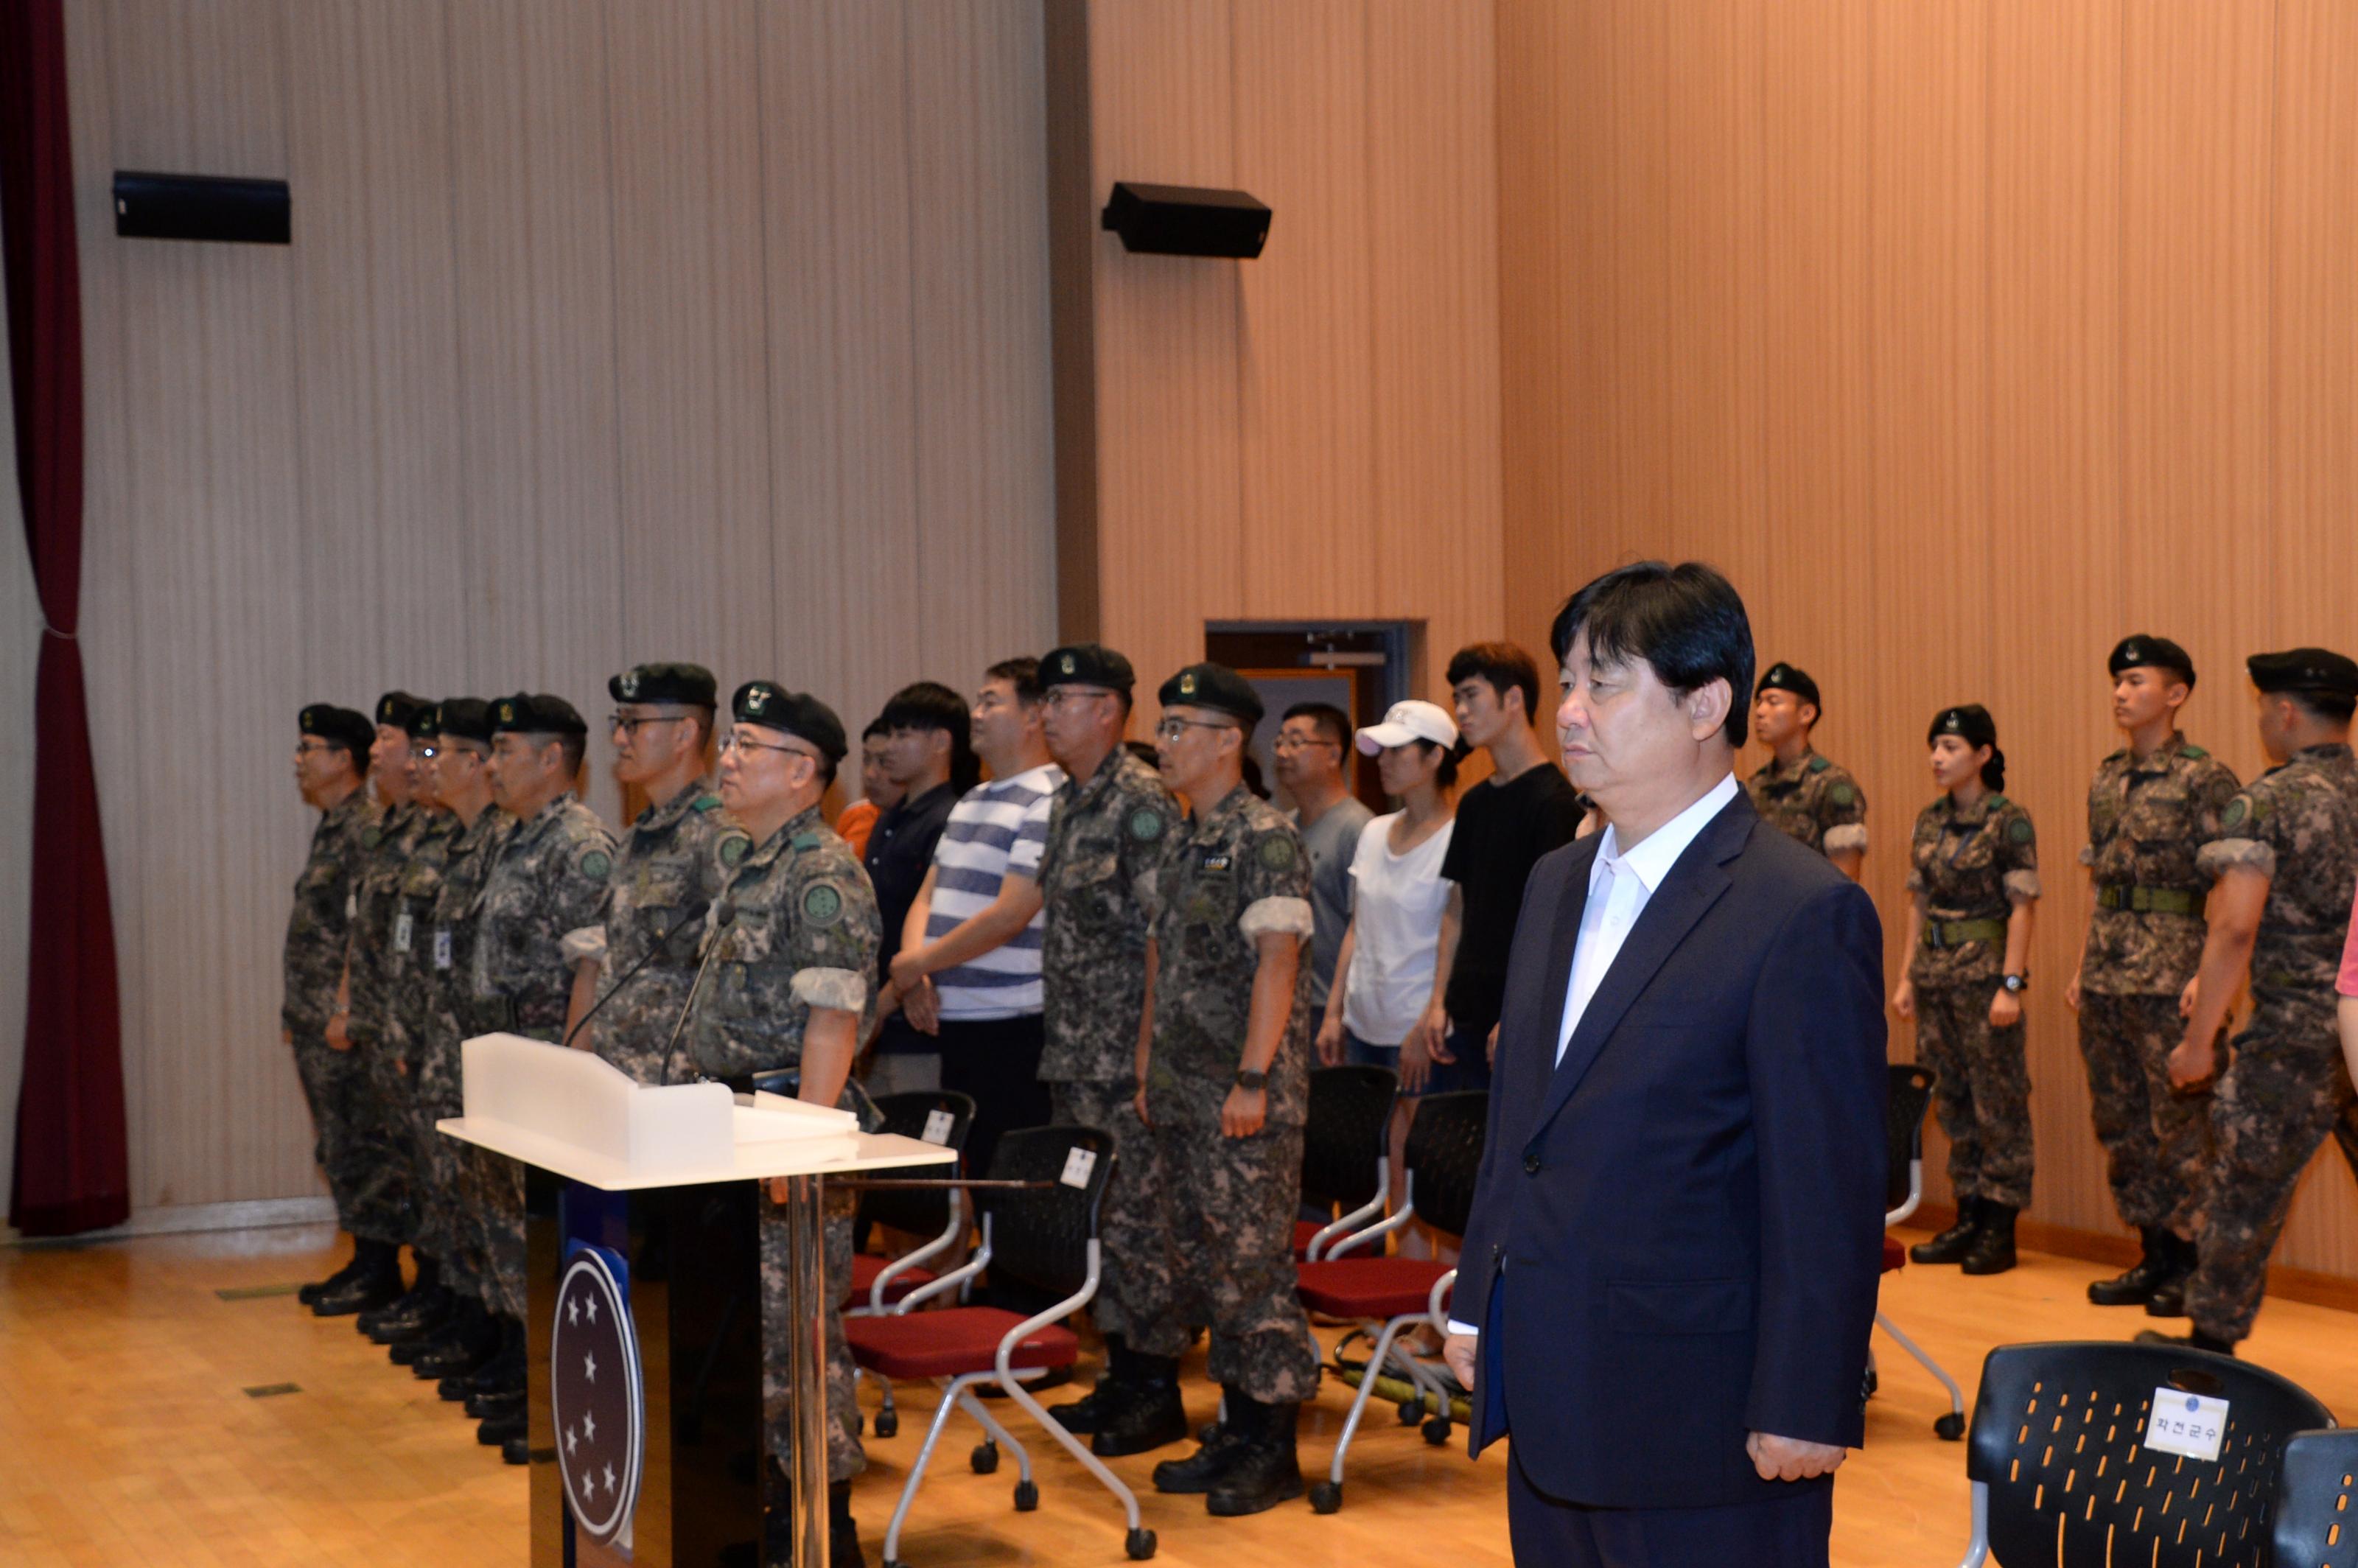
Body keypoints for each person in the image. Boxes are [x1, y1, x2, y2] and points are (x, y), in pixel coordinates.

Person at [1442, 561, 1885, 1568]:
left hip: (1703, 1419)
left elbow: (1826, 1189)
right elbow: (1525, 1122)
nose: (1570, 713)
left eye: (1603, 683)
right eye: (1565, 683)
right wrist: (1478, 1299)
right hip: (1553, 1387)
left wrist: (1806, 1396)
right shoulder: (1557, 882)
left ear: (1706, 704)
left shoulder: (1799, 910)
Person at [687, 681, 878, 1568]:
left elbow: (832, 1020)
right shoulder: (750, 860)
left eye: (747, 745)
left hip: (783, 1129)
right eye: (728, 742)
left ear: (803, 772)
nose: (726, 759)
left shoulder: (822, 871)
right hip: (726, 1124)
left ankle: (820, 1530)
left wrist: (796, 1147)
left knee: (797, 1341)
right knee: (751, 1332)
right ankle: (763, 1511)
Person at [1136, 663, 1323, 1518]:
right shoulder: (1181, 836)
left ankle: (1273, 1448)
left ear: (1225, 742)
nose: (1165, 743)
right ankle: (1236, 1430)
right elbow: (1159, 965)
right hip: (1182, 1094)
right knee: (1208, 1271)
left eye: (1180, 730)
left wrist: (1251, 1077)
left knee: (1253, 1271)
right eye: (1163, 728)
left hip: (1244, 1099)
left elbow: (1277, 964)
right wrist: (1146, 1067)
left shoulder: (1262, 835)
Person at [2137, 649, 2358, 1358]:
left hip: (2295, 1039)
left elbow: (2234, 926)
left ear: (2286, 712)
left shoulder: (2268, 801)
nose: (2263, 720)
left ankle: (2207, 1365)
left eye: (2265, 707)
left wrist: (2199, 1043)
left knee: (2241, 1199)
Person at [1027, 644, 1185, 1456]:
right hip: (1073, 1053)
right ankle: (1119, 1376)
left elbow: (1167, 934)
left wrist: (1149, 1052)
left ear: (1107, 711)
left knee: (1135, 1225)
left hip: (1125, 1059)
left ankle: (1156, 1388)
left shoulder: (1141, 803)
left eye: (1062, 700)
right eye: (1043, 701)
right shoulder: (1067, 802)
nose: (1046, 714)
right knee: (1094, 1222)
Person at [2066, 637, 2241, 1314]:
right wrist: (2083, 963)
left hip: (2172, 971)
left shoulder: (2205, 778)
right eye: (2116, 681)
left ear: (2175, 694)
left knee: (2182, 1128)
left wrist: (2207, 977)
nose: (2120, 692)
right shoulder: (2106, 777)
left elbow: (2230, 882)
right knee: (2122, 1121)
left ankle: (2193, 1263)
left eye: (2135, 680)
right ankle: (2152, 1255)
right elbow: (2101, 883)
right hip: (2109, 972)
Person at [465, 692, 615, 1463]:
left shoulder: (580, 846)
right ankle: (532, 1383)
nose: (489, 765)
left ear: (551, 757)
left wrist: (566, 1077)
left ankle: (564, 1406)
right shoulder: (514, 839)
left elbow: (588, 975)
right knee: (512, 1235)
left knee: (551, 1244)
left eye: (503, 749)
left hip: (547, 1080)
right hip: (506, 1076)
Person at [887, 658, 1063, 1177]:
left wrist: (916, 962)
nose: (977, 713)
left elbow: (1012, 913)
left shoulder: (1052, 797)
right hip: (956, 1021)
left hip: (1013, 1024)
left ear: (1033, 716)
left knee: (1016, 1181)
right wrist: (916, 968)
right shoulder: (972, 800)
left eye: (991, 701)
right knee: (976, 1177)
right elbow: (928, 896)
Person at [1894, 704, 2039, 1275]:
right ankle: (1968, 1214)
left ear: (1982, 755)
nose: (1937, 757)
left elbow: (2023, 908)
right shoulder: (1928, 821)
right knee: (1951, 1102)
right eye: (1934, 746)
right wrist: (1906, 976)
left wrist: (2011, 983)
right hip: (1935, 981)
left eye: (1951, 747)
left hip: (1985, 983)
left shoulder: (2009, 820)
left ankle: (2000, 1228)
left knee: (1999, 1101)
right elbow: (1919, 904)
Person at [399, 700, 516, 1401]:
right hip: (451, 1051)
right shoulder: (456, 839)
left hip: (494, 1062)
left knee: (497, 1211)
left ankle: (509, 1344)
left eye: (436, 753)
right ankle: (480, 1325)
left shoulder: (506, 841)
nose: (423, 766)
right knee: (460, 1201)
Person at [1316, 700, 1460, 1255]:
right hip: (1364, 1020)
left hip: (1415, 1026)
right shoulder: (1374, 832)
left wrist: (1429, 1017)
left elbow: (1455, 931)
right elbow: (1358, 925)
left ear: (1434, 757)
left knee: (1431, 1165)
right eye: (1381, 751)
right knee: (1387, 1166)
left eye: (1398, 751)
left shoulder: (1456, 837)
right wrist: (1334, 1012)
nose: (1383, 762)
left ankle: (1438, 1310)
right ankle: (1399, 1301)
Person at [564, 662, 749, 1084]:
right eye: (618, 723)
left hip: (677, 1086)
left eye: (632, 725)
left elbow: (734, 978)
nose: (618, 739)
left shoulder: (720, 836)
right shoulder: (636, 837)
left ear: (684, 734)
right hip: (618, 1078)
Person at [1418, 643, 1585, 1093]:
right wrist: (1438, 1001)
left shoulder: (1555, 803)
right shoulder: (1474, 802)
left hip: (1517, 1019)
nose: (1461, 711)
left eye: (1471, 696)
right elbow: (1457, 907)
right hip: (1463, 1012)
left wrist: (1516, 1016)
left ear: (1513, 700)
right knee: (1449, 1156)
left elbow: (1553, 926)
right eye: (1457, 699)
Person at [319, 690, 437, 1317]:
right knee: (382, 1154)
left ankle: (445, 1297)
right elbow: (362, 930)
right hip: (382, 1024)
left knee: (425, 1168)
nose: (386, 753)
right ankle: (400, 1275)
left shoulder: (430, 835)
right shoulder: (396, 830)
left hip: (419, 1034)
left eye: (400, 740)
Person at [353, 699, 466, 1352]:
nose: (425, 768)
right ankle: (438, 1290)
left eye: (433, 752)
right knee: (420, 1175)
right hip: (411, 1035)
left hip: (448, 1045)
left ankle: (471, 1312)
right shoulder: (411, 833)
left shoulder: (462, 839)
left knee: (455, 1186)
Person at [283, 703, 377, 1308]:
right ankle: (364, 1261)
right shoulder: (335, 823)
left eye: (309, 748)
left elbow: (361, 928)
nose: (298, 760)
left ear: (345, 760)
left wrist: (343, 1006)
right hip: (316, 1017)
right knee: (338, 1145)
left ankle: (377, 1267)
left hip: (339, 1021)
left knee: (358, 1144)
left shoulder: (364, 827)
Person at [861, 682, 973, 1098]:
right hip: (884, 1023)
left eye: (902, 735)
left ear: (942, 742)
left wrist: (884, 1005)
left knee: (918, 1156)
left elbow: (939, 923)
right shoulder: (891, 817)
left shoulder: (952, 817)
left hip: (920, 1027)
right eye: (889, 734)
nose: (889, 747)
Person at [1274, 702, 1373, 1023]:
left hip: (1333, 1008)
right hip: (1287, 1000)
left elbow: (1365, 928)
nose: (1283, 752)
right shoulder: (1283, 828)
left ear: (1333, 754)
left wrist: (1336, 1009)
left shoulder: (1358, 828)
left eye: (1296, 741)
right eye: (1279, 742)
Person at [1745, 662, 1867, 880]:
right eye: (1759, 703)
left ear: (1806, 713)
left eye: (1773, 702)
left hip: (1812, 912)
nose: (1760, 712)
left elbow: (1844, 880)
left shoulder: (1831, 784)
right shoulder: (1756, 786)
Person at [837, 719, 900, 861]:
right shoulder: (854, 815)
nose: (870, 774)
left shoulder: (923, 824)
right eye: (866, 760)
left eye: (884, 761)